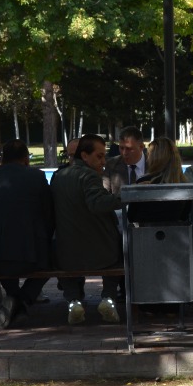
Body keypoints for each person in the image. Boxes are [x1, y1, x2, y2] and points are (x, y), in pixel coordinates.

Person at [0, 140, 54, 329]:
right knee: (53, 258)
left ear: (3, 159)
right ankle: (22, 300)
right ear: (26, 158)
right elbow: (49, 216)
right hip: (30, 256)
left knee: (3, 255)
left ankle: (13, 297)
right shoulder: (37, 177)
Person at [53, 135, 124, 325]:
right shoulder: (89, 175)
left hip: (66, 253)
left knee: (64, 257)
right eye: (99, 156)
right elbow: (97, 203)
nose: (104, 161)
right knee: (122, 248)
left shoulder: (59, 176)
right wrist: (125, 196)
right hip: (101, 254)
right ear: (84, 156)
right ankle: (108, 298)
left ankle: (74, 301)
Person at [104, 126, 147, 192]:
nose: (124, 153)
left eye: (129, 149)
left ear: (141, 147)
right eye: (121, 148)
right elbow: (104, 196)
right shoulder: (111, 165)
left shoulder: (155, 164)